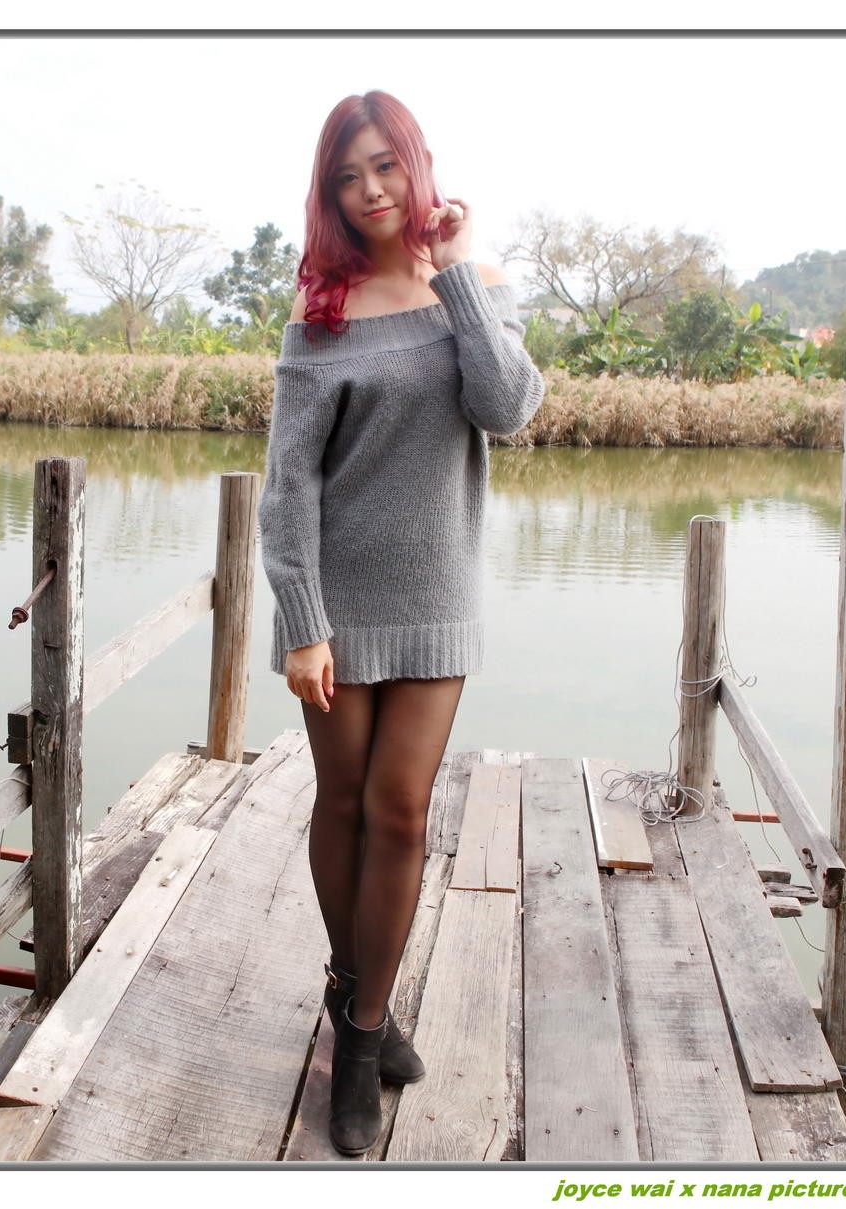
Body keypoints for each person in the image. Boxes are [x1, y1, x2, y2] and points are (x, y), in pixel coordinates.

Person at [257, 89, 545, 1156]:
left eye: (385, 165)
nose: (370, 189)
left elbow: (506, 408)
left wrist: (458, 272)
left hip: (435, 599)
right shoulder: (320, 312)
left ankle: (361, 1031)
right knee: (342, 804)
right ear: (329, 193)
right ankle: (359, 1006)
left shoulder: (479, 287)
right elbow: (288, 484)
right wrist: (302, 621)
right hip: (335, 605)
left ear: (415, 165)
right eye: (348, 175)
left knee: (402, 811)